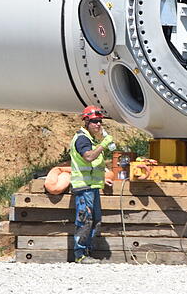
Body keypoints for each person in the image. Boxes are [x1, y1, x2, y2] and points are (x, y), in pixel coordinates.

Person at [70, 105, 115, 263]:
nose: (98, 124)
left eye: (100, 121)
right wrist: (104, 145)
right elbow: (88, 157)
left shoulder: (90, 139)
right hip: (84, 187)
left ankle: (87, 252)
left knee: (95, 220)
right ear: (87, 121)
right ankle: (80, 255)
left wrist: (103, 179)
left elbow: (94, 165)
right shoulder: (82, 139)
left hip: (92, 186)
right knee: (85, 219)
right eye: (95, 121)